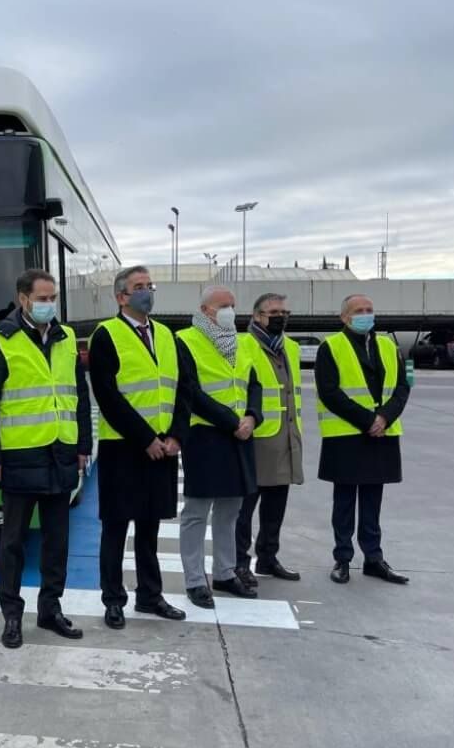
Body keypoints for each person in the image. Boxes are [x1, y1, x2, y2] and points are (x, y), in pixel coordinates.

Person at [0, 269, 92, 648]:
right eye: (43, 298)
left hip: (61, 452)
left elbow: (78, 394)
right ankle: (12, 615)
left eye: (53, 298)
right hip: (18, 455)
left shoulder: (65, 339)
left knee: (56, 540)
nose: (49, 304)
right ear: (23, 299)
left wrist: (83, 448)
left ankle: (50, 609)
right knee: (12, 542)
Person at [88, 266, 189, 628]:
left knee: (150, 527)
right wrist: (145, 438)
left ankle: (150, 595)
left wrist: (176, 434)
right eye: (139, 287)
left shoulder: (167, 335)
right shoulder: (106, 335)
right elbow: (108, 396)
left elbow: (182, 389)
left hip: (164, 446)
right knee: (115, 527)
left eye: (150, 286)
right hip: (124, 447)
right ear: (121, 297)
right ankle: (113, 599)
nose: (147, 292)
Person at [175, 286, 262, 609]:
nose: (230, 311)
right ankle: (195, 580)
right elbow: (190, 391)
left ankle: (225, 573)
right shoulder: (185, 339)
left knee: (231, 510)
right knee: (197, 512)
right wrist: (231, 421)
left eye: (233, 305)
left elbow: (254, 384)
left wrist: (253, 417)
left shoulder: (243, 342)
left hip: (241, 434)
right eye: (223, 305)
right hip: (205, 435)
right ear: (205, 310)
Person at [316, 294, 411, 585]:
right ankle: (342, 558)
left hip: (382, 434)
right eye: (359, 311)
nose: (366, 315)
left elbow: (401, 388)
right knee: (344, 501)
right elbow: (330, 392)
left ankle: (374, 558)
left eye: (370, 310)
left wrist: (384, 418)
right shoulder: (330, 346)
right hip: (346, 434)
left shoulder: (388, 346)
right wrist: (369, 420)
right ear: (344, 317)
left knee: (372, 500)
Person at [236, 293, 304, 585]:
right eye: (273, 311)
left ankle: (267, 557)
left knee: (276, 505)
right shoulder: (242, 345)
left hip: (286, 436)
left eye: (284, 311)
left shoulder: (292, 347)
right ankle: (239, 562)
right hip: (255, 436)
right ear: (256, 316)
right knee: (244, 508)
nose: (280, 316)